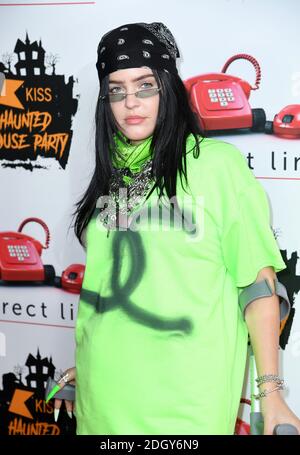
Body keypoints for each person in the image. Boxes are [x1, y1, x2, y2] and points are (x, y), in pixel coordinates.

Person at [54, 22, 300, 435]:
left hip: (184, 407)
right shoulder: (111, 173)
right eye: (116, 89)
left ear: (167, 86)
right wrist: (92, 362)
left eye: (145, 85)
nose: (130, 102)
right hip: (101, 400)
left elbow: (258, 286)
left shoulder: (216, 166)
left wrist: (271, 394)